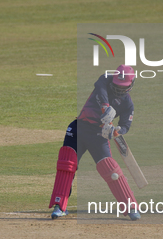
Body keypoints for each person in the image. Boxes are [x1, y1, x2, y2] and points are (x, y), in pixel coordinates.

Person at [48, 65, 141, 221]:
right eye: (117, 84)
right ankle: (59, 206)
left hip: (99, 135)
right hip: (79, 129)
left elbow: (125, 125)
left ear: (131, 85)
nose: (118, 88)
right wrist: (105, 107)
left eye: (122, 86)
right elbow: (101, 89)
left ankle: (131, 206)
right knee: (67, 164)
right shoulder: (105, 79)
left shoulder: (127, 104)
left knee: (110, 170)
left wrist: (115, 131)